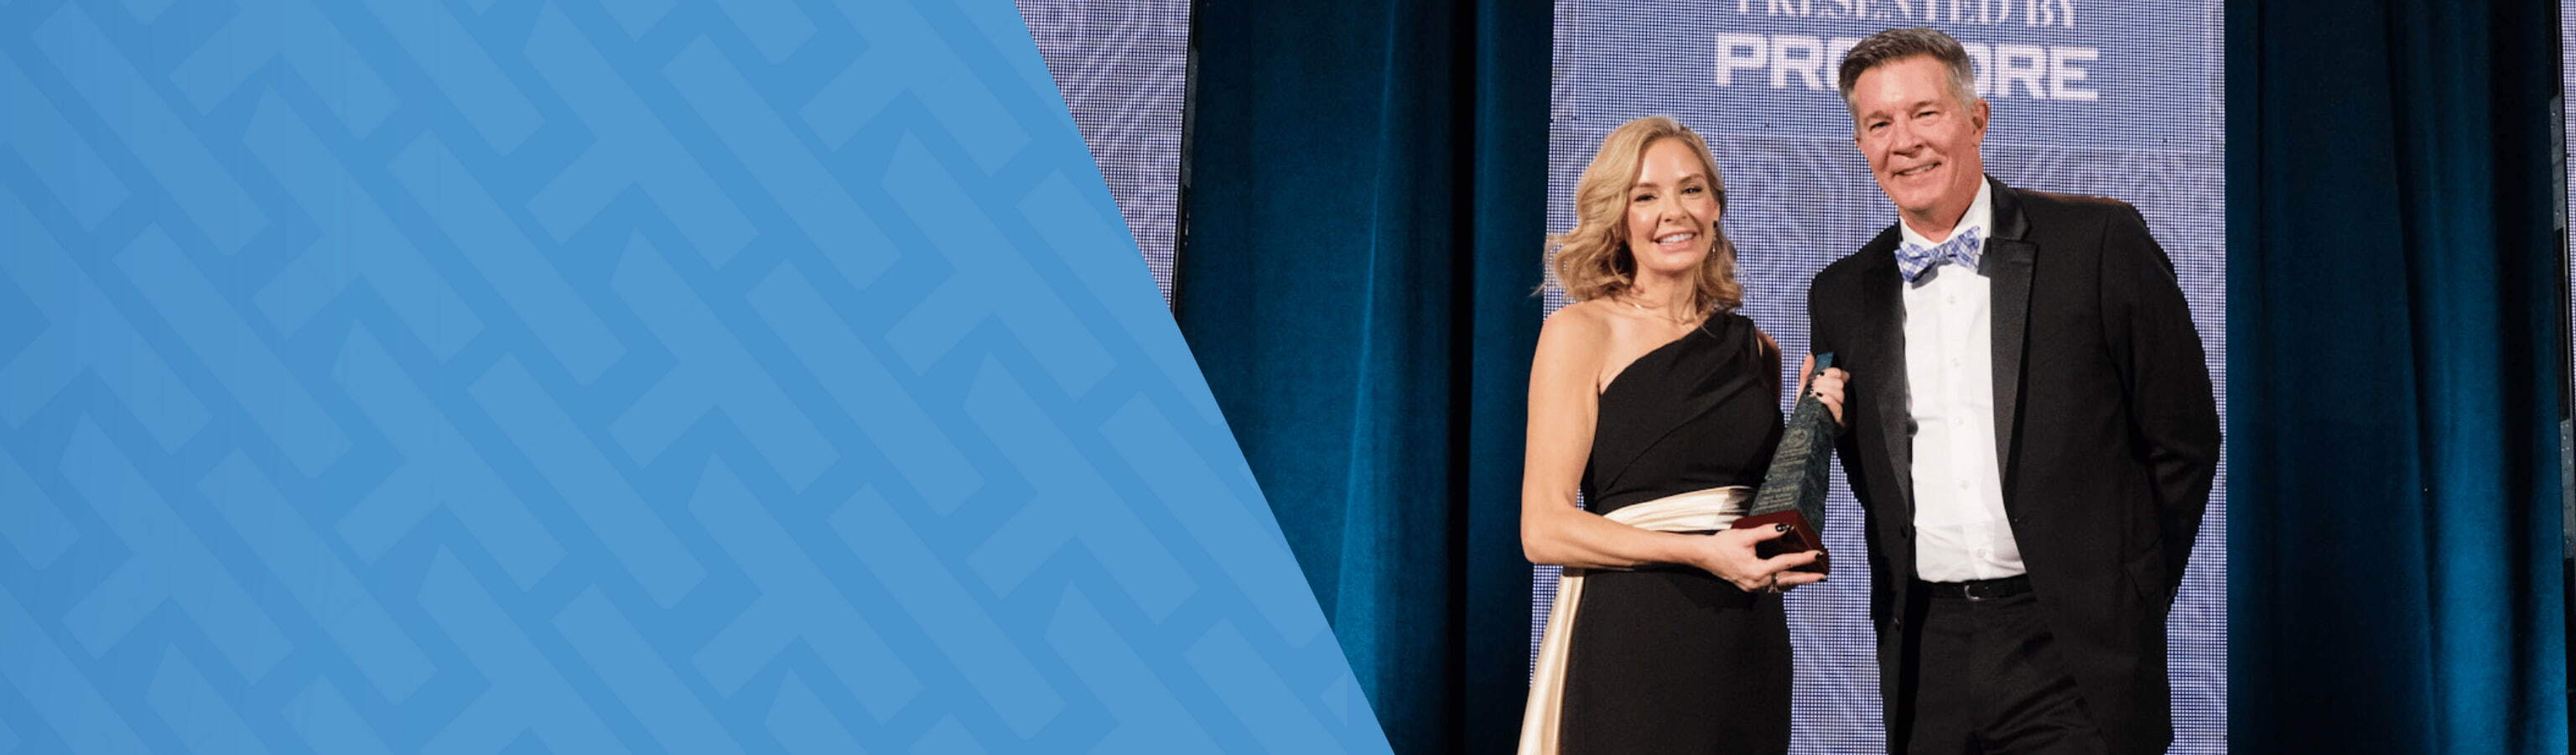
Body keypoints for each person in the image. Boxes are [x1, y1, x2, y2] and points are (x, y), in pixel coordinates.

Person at [1805, 28, 2221, 755]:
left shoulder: (2098, 242)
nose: (1904, 141)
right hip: (1926, 656)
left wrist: (2129, 591)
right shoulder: (1840, 293)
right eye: (1879, 124)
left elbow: (2182, 438)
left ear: (1977, 119)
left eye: (1925, 113)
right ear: (1861, 147)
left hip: (2069, 649)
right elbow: (1872, 479)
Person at [1516, 115, 1848, 754]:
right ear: (1618, 217)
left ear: (1716, 205)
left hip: (1744, 637)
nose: (1675, 212)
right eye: (1646, 196)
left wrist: (1817, 425)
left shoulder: (1757, 350)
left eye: (1691, 190)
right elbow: (1544, 529)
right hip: (1633, 632)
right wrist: (1701, 553)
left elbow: (1764, 516)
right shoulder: (1581, 332)